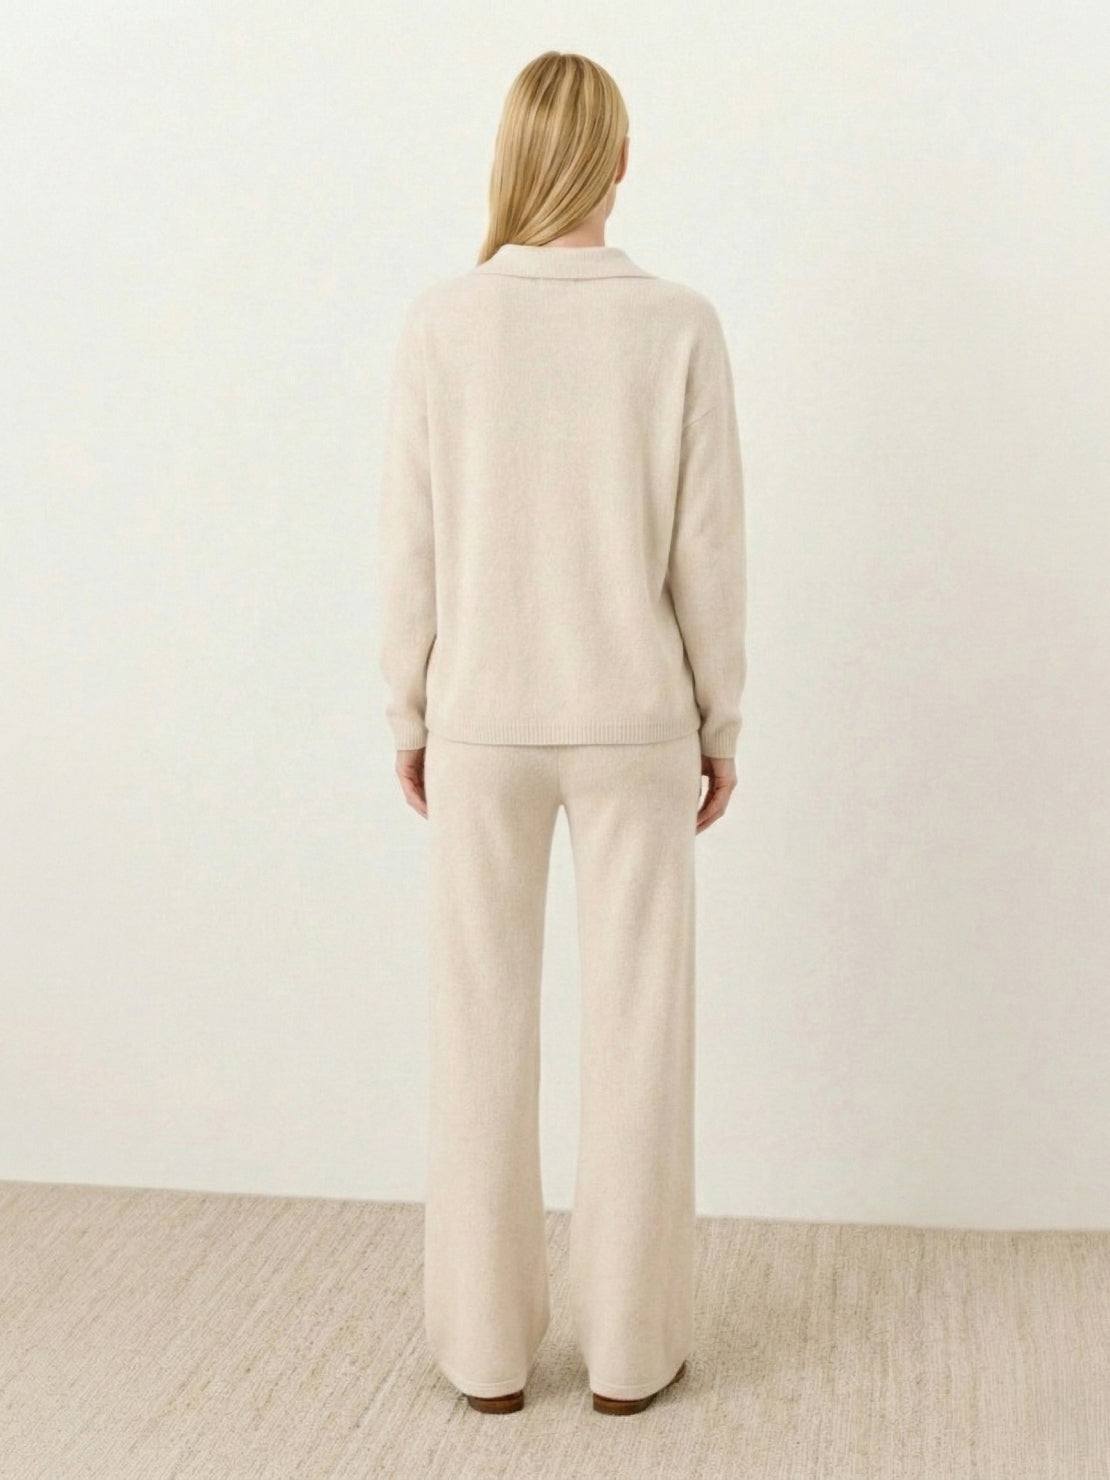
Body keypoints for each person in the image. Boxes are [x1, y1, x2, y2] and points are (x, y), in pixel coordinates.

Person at [378, 50, 746, 1416]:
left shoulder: (443, 323)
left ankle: (483, 1354)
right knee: (639, 1035)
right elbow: (708, 552)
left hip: (482, 717)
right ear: (620, 160)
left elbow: (410, 543)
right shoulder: (678, 325)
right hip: (636, 719)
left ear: (513, 156)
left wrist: (409, 707)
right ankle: (634, 1355)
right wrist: (719, 719)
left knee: (477, 1029)